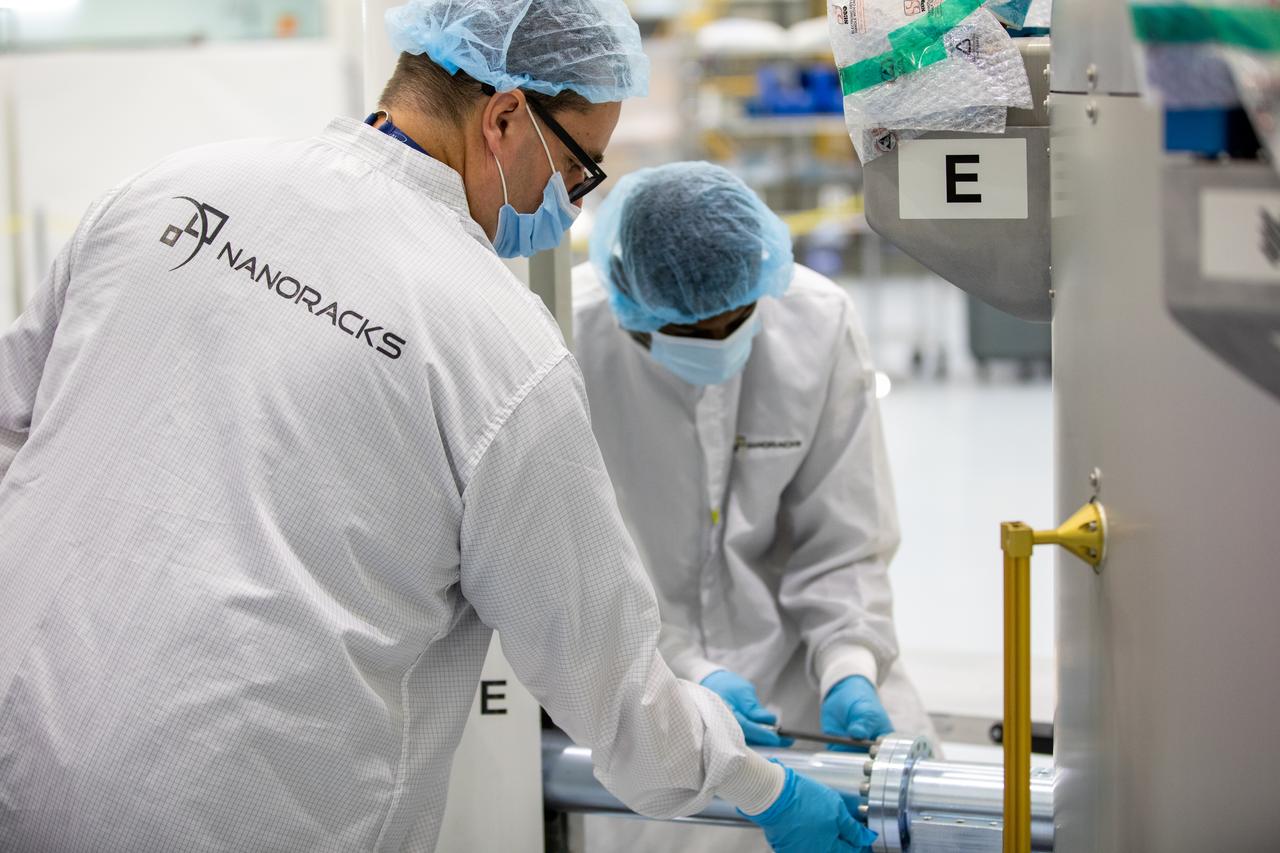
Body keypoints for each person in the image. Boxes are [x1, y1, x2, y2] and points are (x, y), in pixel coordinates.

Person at [0, 4, 875, 852]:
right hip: (244, 804)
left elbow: (13, 431)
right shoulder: (496, 342)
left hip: (22, 752)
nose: (569, 206)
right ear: (503, 117)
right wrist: (762, 786)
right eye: (578, 170)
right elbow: (607, 679)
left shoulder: (170, 188)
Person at [573, 161, 940, 852]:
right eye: (684, 334)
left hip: (802, 681)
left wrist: (849, 663)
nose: (715, 349)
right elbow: (580, 574)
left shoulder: (817, 322)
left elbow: (845, 534)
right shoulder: (574, 339)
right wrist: (687, 669)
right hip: (645, 683)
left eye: (734, 325)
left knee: (907, 809)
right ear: (634, 308)